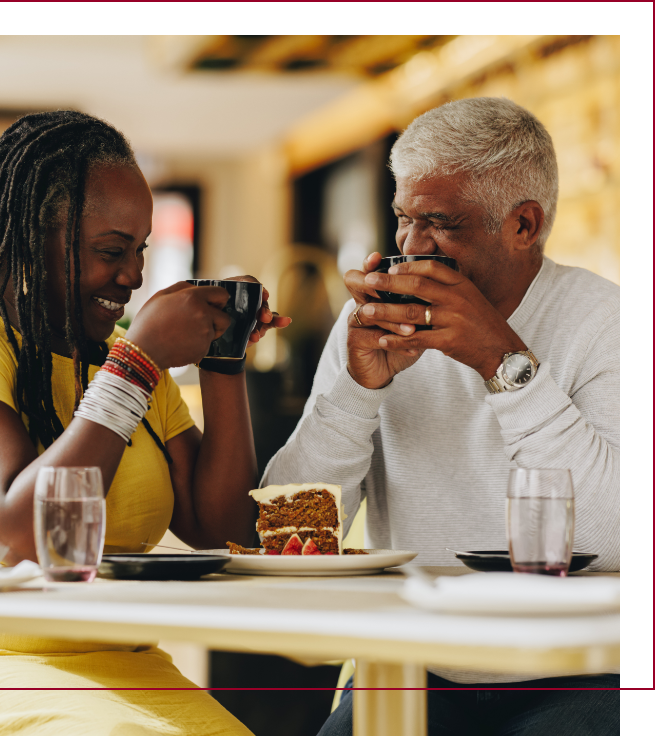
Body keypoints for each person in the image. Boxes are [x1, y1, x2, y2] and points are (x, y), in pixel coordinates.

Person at [0, 110, 290, 735]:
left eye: (140, 250)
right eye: (110, 251)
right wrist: (138, 362)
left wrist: (223, 359)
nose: (134, 276)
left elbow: (221, 526)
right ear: (29, 241)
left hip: (121, 664)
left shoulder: (119, 362)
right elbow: (25, 533)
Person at [260, 98, 619, 734]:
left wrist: (504, 363)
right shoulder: (370, 324)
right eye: (403, 219)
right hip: (414, 671)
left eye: (440, 223)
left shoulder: (606, 322)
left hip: (588, 673)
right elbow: (291, 537)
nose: (411, 246)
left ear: (524, 226)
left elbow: (609, 537)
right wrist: (354, 392)